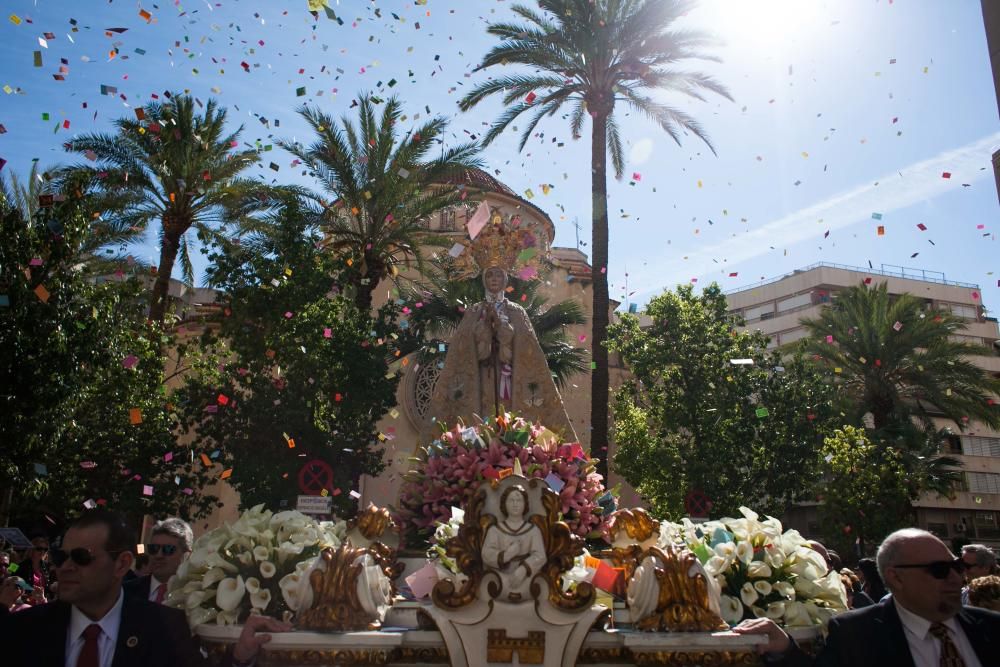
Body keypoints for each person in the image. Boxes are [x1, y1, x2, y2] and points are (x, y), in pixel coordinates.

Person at [0, 509, 290, 667]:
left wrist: (239, 656)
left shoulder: (164, 627)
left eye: (82, 557)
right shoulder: (23, 631)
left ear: (121, 564)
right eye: (61, 556)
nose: (65, 568)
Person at [733, 528, 1000, 666]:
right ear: (896, 577)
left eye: (957, 567)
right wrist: (785, 648)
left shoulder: (992, 628)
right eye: (939, 571)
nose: (956, 579)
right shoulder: (856, 635)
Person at [425, 211, 575, 439]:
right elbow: (462, 353)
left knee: (507, 419)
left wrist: (505, 332)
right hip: (480, 380)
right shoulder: (474, 312)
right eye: (490, 275)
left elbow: (528, 353)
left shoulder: (517, 312)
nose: (494, 279)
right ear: (484, 279)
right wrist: (482, 333)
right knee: (481, 420)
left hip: (509, 380)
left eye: (498, 275)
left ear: (505, 279)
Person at [481, 485, 546, 602]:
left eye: (519, 500)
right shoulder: (495, 530)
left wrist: (524, 569)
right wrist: (506, 555)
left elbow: (540, 556)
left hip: (527, 579)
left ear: (525, 504)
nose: (515, 504)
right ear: (504, 503)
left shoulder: (533, 530)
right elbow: (486, 554)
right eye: (511, 500)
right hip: (500, 578)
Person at [125, 517, 193, 603]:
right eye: (154, 548)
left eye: (168, 549)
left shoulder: (194, 595)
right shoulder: (125, 592)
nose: (158, 555)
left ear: (187, 555)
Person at [17, 532, 53, 603]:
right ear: (32, 549)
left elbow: (49, 586)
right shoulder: (19, 564)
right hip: (25, 602)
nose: (42, 551)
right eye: (39, 549)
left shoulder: (47, 566)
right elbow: (9, 576)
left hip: (42, 602)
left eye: (45, 549)